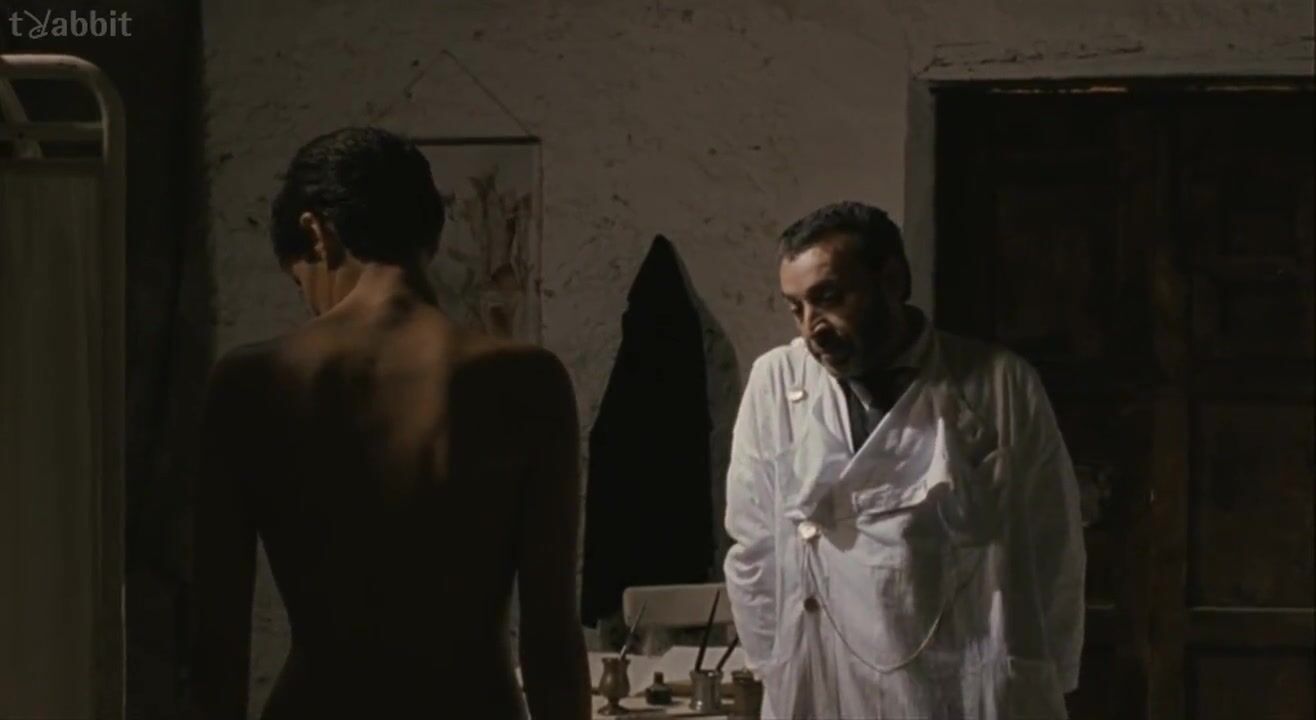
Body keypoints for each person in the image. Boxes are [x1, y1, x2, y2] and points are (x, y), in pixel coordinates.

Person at [188, 127, 590, 720]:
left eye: (301, 283)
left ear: (316, 233)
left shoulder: (250, 383)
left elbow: (217, 645)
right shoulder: (529, 382)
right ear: (431, 232)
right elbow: (551, 641)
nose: (311, 303)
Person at [723, 201, 1086, 718]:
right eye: (795, 308)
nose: (811, 328)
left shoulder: (999, 383)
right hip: (825, 676)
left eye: (829, 298)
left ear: (892, 280)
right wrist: (774, 668)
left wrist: (1043, 675)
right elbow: (753, 546)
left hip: (959, 680)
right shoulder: (776, 382)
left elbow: (1054, 545)